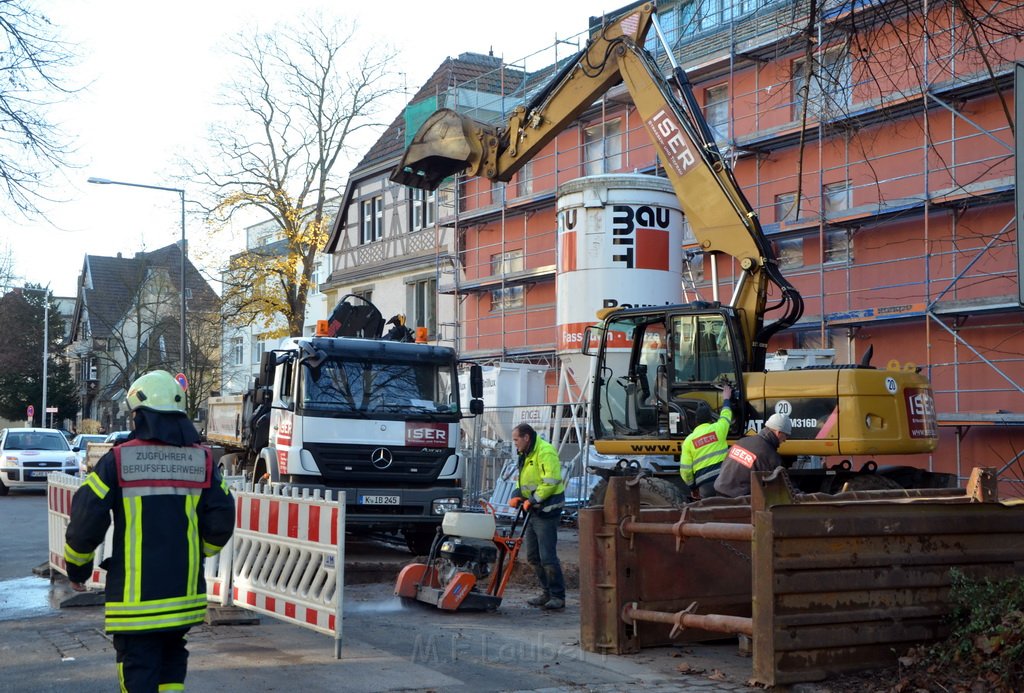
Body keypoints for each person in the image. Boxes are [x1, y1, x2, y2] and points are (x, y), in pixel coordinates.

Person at [64, 370, 236, 692]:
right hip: (182, 600)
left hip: (135, 606)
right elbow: (223, 517)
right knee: (171, 673)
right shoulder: (202, 460)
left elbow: (86, 520)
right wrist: (198, 553)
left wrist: (78, 568)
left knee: (139, 675)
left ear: (138, 415)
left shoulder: (118, 459)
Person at [508, 423, 566, 610]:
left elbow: (551, 481)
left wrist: (532, 500)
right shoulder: (525, 453)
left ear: (526, 437)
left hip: (547, 510)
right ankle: (546, 592)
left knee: (547, 556)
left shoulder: (545, 452)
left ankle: (558, 596)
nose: (515, 443)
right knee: (533, 556)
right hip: (533, 510)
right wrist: (517, 494)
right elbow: (525, 481)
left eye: (516, 439)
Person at [714, 412, 792, 498]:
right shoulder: (770, 456)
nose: (785, 440)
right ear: (778, 432)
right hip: (739, 502)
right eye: (786, 436)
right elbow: (782, 489)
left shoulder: (741, 442)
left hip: (719, 493)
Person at [679, 385, 733, 500]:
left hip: (705, 485)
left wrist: (693, 487)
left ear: (696, 421)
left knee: (708, 512)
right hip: (723, 479)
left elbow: (686, 470)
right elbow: (726, 414)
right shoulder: (718, 429)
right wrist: (726, 399)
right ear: (710, 419)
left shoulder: (688, 441)